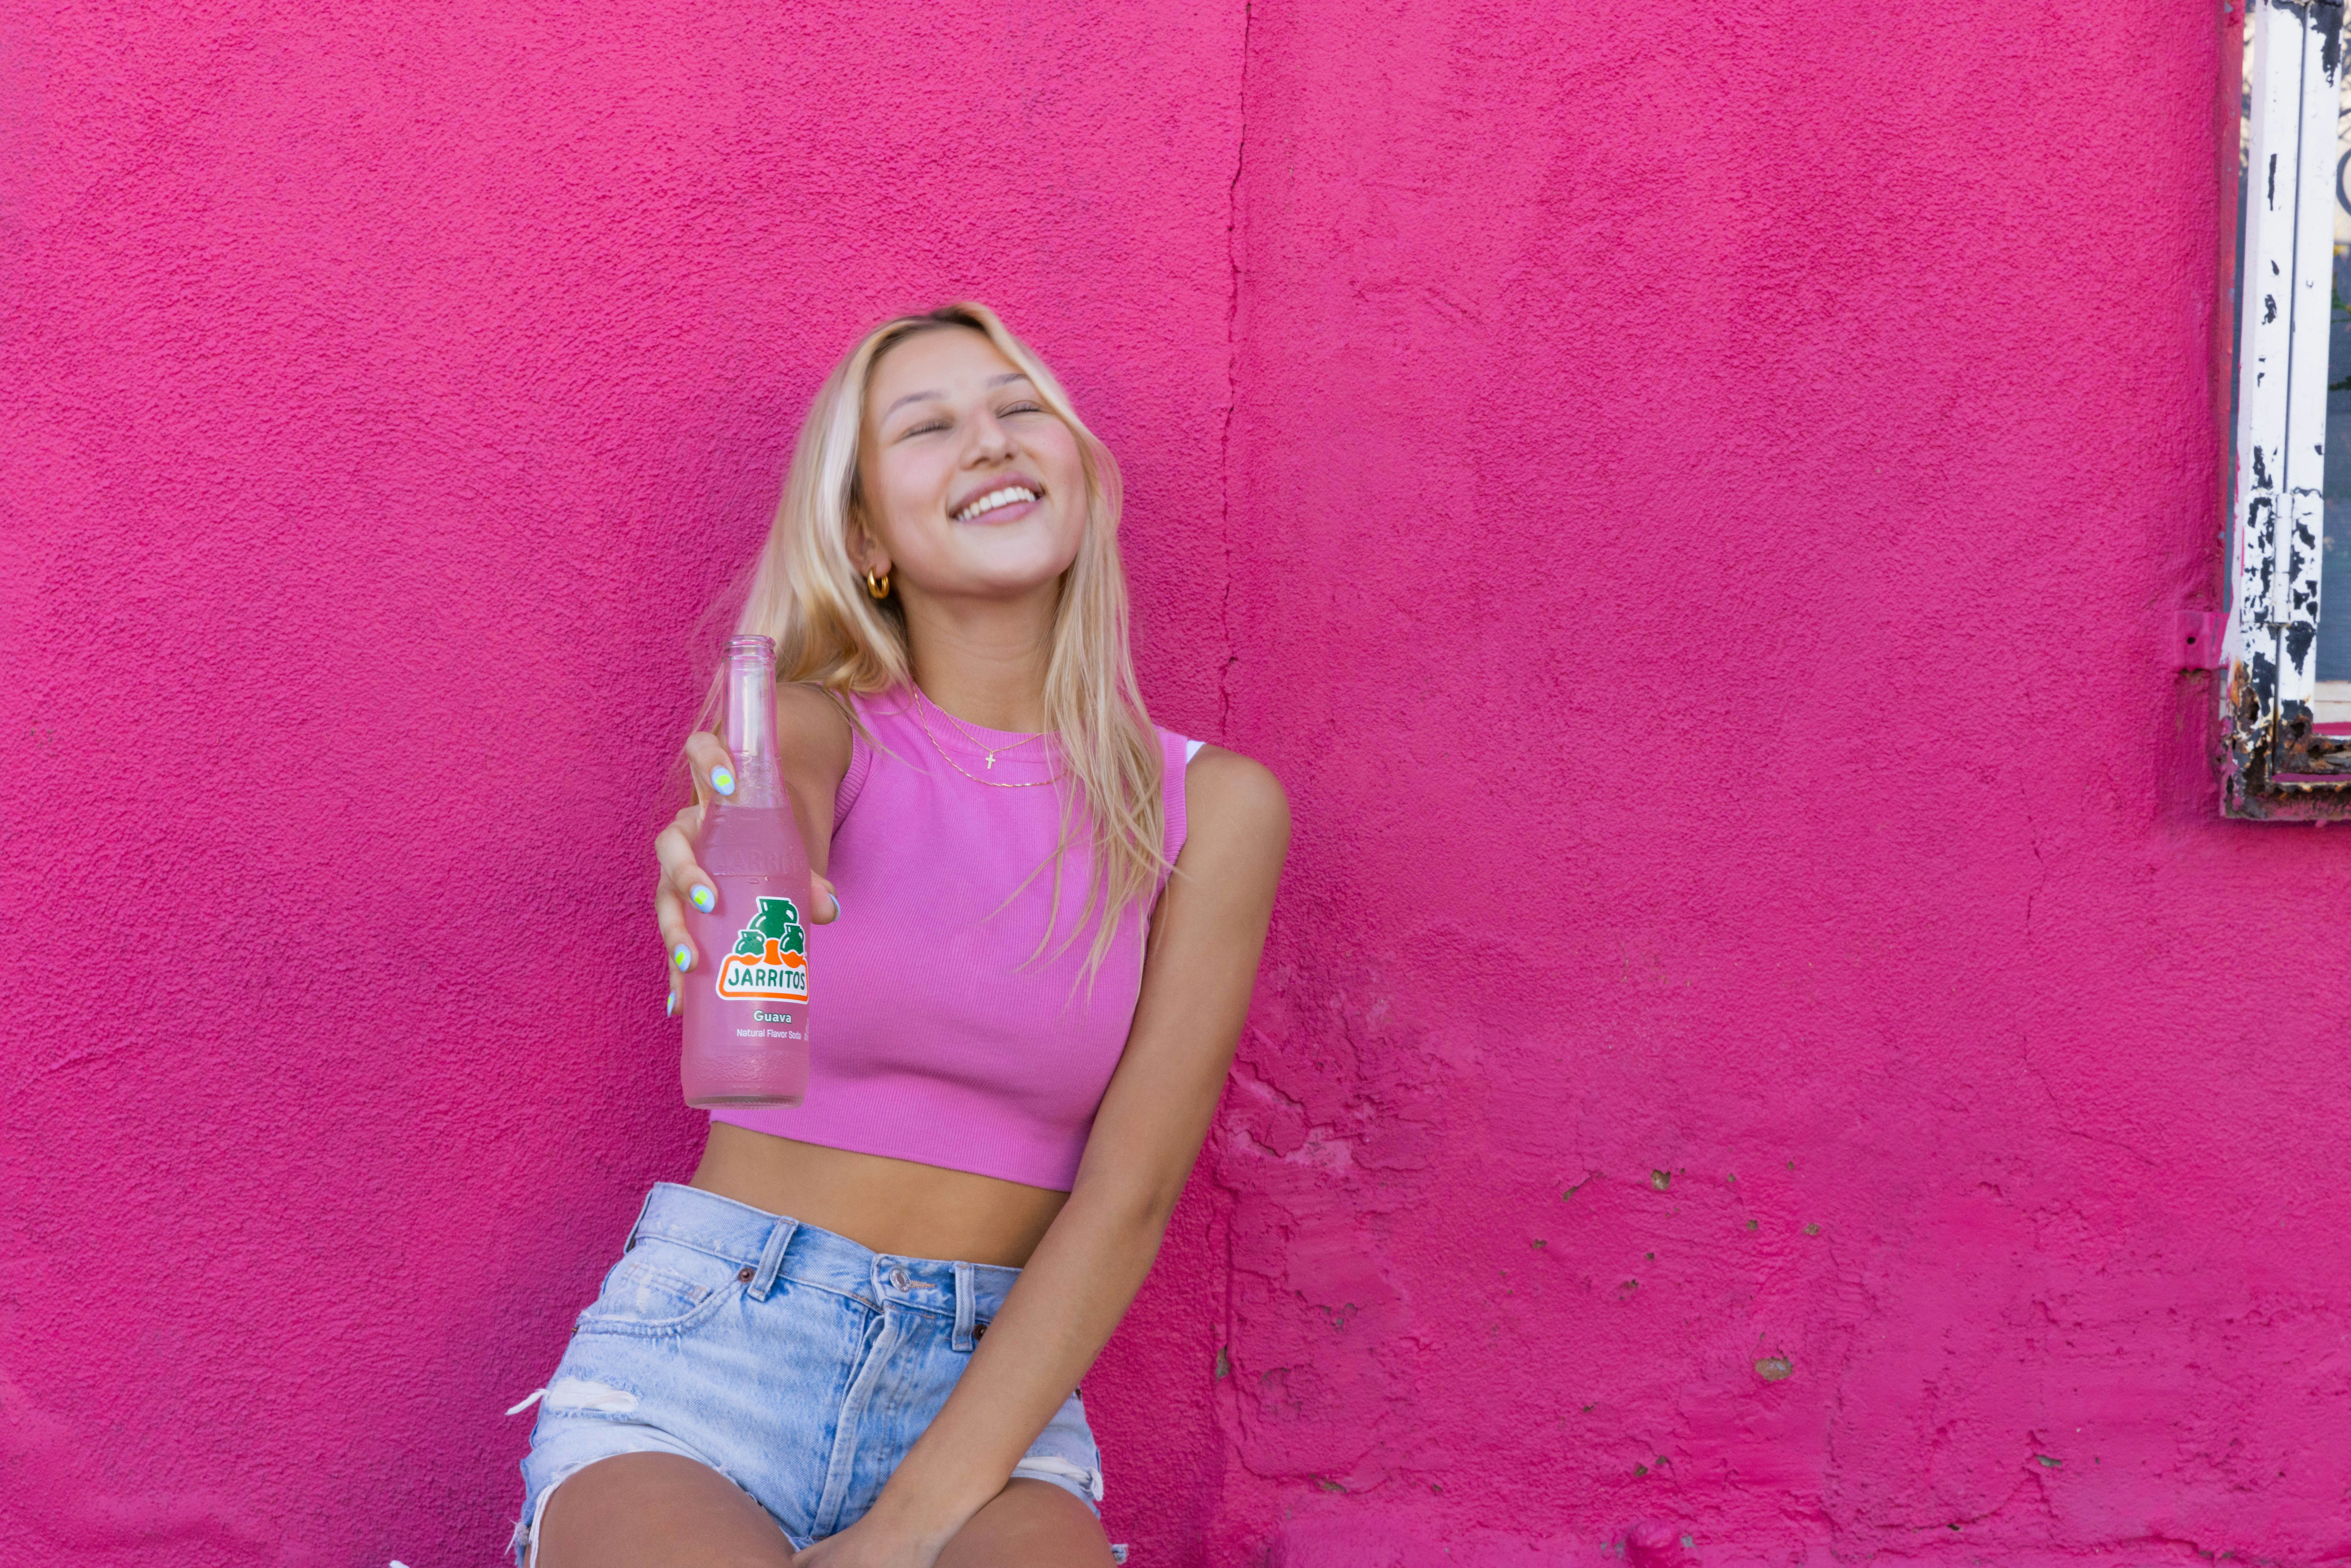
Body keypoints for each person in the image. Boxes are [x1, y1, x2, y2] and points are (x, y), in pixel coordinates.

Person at [510, 304, 1290, 1568]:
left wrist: (904, 1532)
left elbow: (1128, 1196)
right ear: (867, 537)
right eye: (927, 429)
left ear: (1081, 477)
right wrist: (744, 832)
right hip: (708, 1357)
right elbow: (782, 797)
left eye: (1017, 409)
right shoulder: (816, 730)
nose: (988, 441)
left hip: (993, 1398)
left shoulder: (1213, 811)